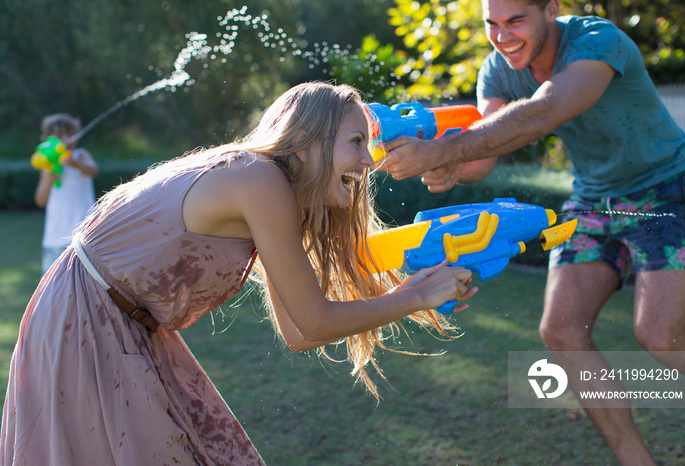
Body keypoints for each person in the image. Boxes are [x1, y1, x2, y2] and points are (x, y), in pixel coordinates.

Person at [1, 82, 476, 465]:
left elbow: (298, 332)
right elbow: (314, 322)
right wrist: (413, 297)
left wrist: (411, 288)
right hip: (85, 325)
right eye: (356, 142)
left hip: (118, 324)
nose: (368, 161)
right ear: (308, 141)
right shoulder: (259, 179)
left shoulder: (266, 186)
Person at [376, 1, 685, 464]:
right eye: (491, 25)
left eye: (515, 22)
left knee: (660, 334)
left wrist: (439, 153)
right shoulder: (499, 68)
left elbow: (543, 113)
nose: (502, 36)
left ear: (550, 10)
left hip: (663, 190)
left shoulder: (596, 42)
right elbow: (481, 155)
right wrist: (444, 161)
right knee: (562, 331)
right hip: (594, 200)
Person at [34, 113, 99, 274]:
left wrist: (74, 163)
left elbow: (93, 170)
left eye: (66, 135)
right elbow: (40, 201)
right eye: (56, 136)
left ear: (75, 137)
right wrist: (49, 179)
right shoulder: (47, 166)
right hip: (54, 237)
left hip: (83, 236)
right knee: (53, 286)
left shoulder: (80, 155)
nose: (62, 140)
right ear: (46, 140)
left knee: (84, 281)